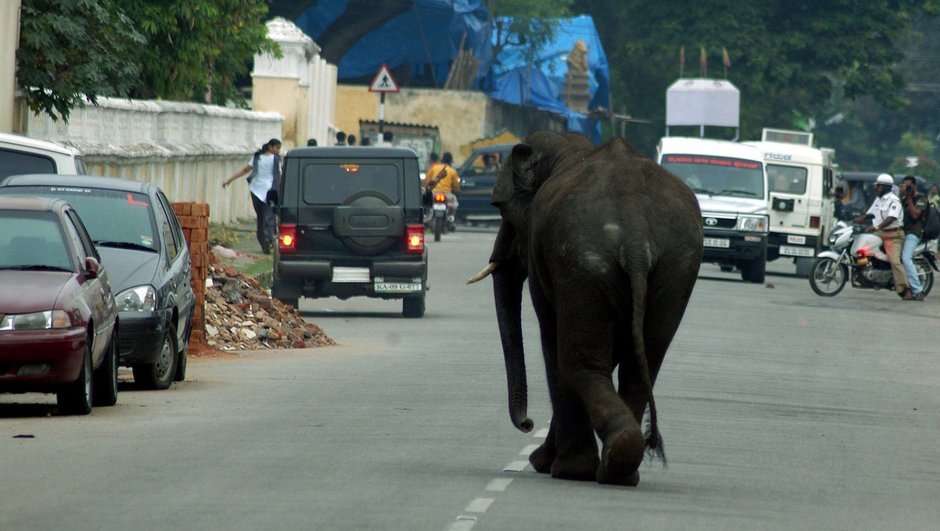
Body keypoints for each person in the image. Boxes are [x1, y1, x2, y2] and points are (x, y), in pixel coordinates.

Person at [853, 173, 911, 300]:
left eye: (878, 186)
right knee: (864, 245)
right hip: (880, 232)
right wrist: (858, 219)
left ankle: (905, 289)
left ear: (885, 187)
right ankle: (867, 271)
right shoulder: (878, 200)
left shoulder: (894, 201)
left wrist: (877, 227)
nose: (876, 188)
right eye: (876, 186)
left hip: (894, 235)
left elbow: (891, 218)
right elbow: (870, 214)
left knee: (894, 261)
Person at [222, 138, 283, 255]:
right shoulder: (276, 159)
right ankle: (268, 238)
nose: (279, 151)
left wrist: (229, 180)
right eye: (277, 148)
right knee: (269, 216)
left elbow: (245, 170)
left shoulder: (257, 157)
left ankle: (262, 240)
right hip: (270, 190)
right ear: (271, 147)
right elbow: (279, 175)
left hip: (255, 190)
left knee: (260, 217)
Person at [899, 175, 928, 300]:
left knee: (906, 258)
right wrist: (902, 195)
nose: (906, 188)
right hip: (901, 232)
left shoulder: (921, 198)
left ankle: (918, 290)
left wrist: (909, 198)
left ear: (914, 186)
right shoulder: (903, 199)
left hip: (914, 233)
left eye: (908, 186)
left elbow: (916, 214)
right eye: (904, 185)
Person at [425, 151, 459, 228]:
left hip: (433, 193)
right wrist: (457, 190)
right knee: (454, 205)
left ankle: (427, 217)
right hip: (447, 194)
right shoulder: (452, 171)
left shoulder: (434, 168)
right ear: (451, 161)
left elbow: (427, 180)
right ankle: (451, 219)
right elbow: (456, 186)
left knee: (427, 205)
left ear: (442, 159)